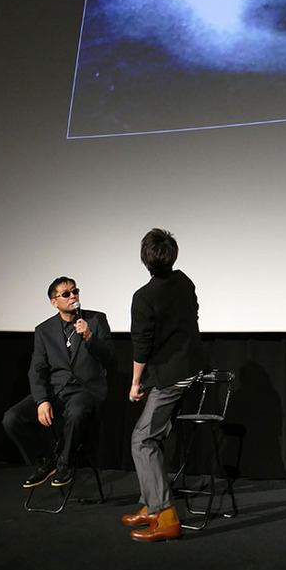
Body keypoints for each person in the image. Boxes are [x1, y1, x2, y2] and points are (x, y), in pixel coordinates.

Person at [122, 228, 209, 542]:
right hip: (188, 367)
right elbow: (192, 317)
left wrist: (135, 383)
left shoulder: (144, 297)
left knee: (142, 440)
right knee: (152, 436)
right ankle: (149, 505)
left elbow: (141, 346)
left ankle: (166, 516)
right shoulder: (184, 281)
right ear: (173, 255)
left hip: (173, 374)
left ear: (145, 260)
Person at [3, 277, 114, 488]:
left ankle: (65, 463)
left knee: (77, 412)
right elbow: (37, 369)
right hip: (55, 390)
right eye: (66, 294)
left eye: (75, 291)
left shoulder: (96, 320)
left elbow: (109, 356)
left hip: (85, 389)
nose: (73, 297)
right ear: (54, 302)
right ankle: (45, 461)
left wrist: (90, 337)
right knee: (12, 418)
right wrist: (42, 400)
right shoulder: (44, 330)